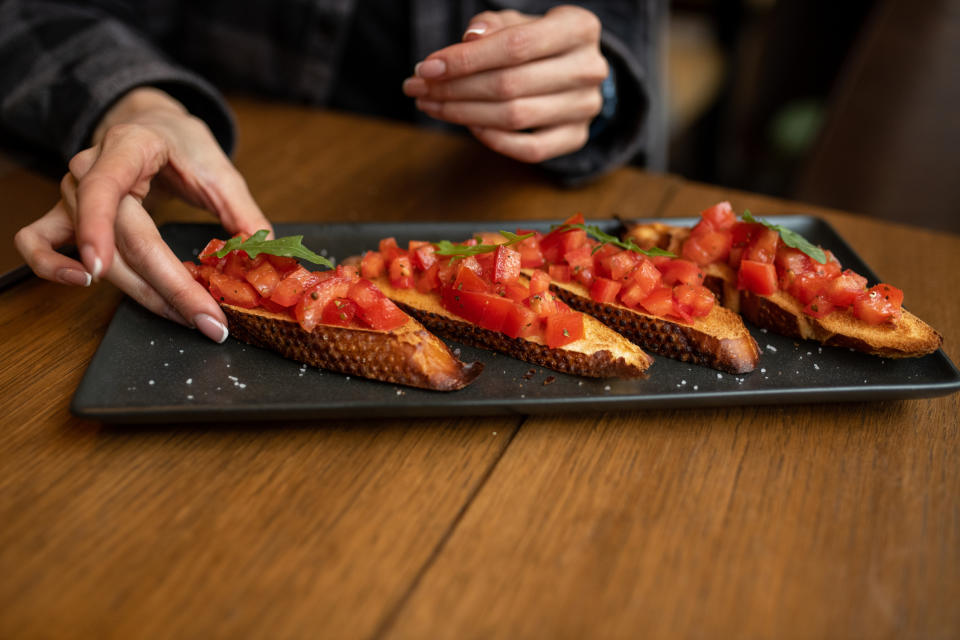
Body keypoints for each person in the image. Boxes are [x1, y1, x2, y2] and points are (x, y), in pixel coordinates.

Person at [3, 0, 664, 343]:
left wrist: (588, 81)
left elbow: (613, 23)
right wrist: (135, 102)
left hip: (510, 175)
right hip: (230, 152)